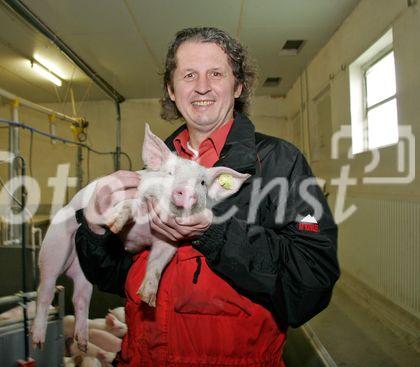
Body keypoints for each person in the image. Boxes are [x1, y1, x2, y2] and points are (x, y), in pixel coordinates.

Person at [75, 27, 339, 367]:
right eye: (189, 75)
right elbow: (112, 276)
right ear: (172, 90)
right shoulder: (156, 168)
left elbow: (311, 284)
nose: (202, 86)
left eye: (216, 73)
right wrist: (95, 227)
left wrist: (214, 231)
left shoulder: (279, 163)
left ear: (238, 86)